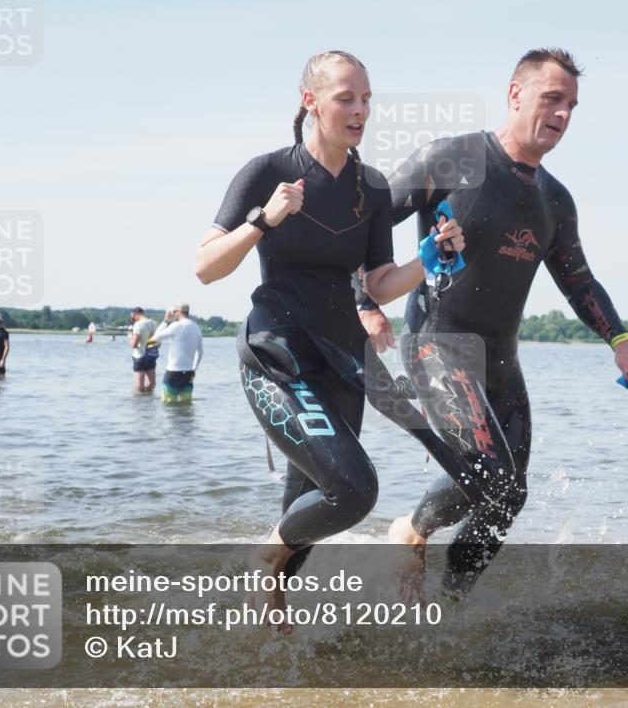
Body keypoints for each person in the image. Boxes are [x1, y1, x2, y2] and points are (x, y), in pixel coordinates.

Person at [354, 48, 628, 597]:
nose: (562, 114)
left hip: (502, 359)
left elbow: (580, 282)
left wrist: (622, 342)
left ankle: (452, 605)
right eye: (553, 99)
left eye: (571, 106)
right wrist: (365, 303)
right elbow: (367, 223)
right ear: (515, 94)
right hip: (438, 344)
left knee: (509, 494)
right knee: (490, 474)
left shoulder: (555, 199)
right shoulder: (452, 158)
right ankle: (410, 531)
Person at [195, 50, 465, 615]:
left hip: (343, 362)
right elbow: (206, 267)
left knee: (311, 514)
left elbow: (379, 284)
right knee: (353, 489)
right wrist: (262, 220)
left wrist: (428, 261)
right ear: (311, 102)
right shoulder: (267, 172)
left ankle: (264, 631)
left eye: (366, 99)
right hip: (277, 358)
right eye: (346, 98)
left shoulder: (370, 187)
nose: (360, 109)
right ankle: (262, 561)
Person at [151, 302, 204, 403]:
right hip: (188, 372)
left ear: (178, 312)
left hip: (173, 371)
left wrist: (165, 321)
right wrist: (194, 370)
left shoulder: (176, 326)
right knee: (186, 404)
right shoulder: (196, 328)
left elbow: (155, 338)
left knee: (168, 404)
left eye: (174, 312)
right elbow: (200, 352)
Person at [128, 307, 159, 392]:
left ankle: (139, 399)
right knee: (152, 383)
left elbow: (134, 344)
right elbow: (158, 343)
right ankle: (149, 398)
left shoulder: (138, 324)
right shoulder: (154, 323)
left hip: (140, 356)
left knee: (139, 385)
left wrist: (130, 336)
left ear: (134, 314)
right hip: (151, 355)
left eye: (132, 317)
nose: (132, 319)